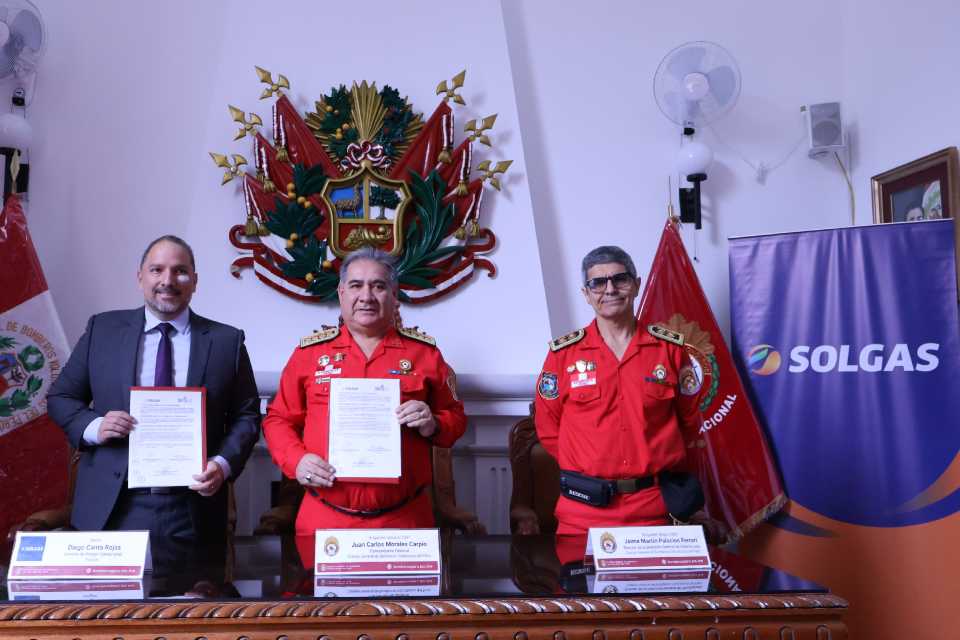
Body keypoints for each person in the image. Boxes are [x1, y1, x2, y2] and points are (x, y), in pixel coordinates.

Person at [47, 235, 261, 553]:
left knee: (189, 605)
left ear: (195, 281)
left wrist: (222, 464)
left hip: (193, 510)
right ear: (140, 277)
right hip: (112, 506)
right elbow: (61, 397)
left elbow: (247, 415)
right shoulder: (102, 330)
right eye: (156, 270)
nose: (167, 281)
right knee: (108, 607)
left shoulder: (226, 341)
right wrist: (96, 427)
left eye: (180, 271)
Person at [262, 247, 466, 534]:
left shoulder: (425, 354)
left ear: (394, 296)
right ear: (341, 293)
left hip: (405, 519)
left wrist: (433, 423)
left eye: (379, 286)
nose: (367, 297)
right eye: (356, 286)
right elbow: (278, 419)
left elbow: (456, 419)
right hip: (324, 517)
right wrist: (296, 460)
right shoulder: (309, 354)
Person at [534, 245, 701, 536]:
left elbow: (689, 422)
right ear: (586, 294)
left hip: (656, 509)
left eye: (620, 279)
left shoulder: (670, 350)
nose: (609, 290)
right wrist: (588, 464)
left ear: (636, 285)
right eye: (597, 283)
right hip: (584, 510)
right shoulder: (563, 355)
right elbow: (548, 427)